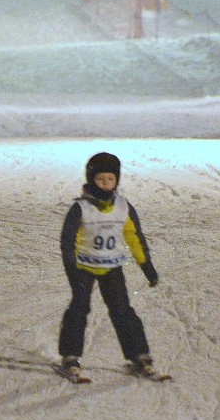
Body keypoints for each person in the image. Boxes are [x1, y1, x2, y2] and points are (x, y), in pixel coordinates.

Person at [58, 152, 160, 378]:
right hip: (83, 267)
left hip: (112, 267)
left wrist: (147, 267)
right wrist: (72, 270)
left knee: (122, 310)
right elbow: (68, 242)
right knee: (79, 308)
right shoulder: (81, 208)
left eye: (110, 179)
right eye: (100, 179)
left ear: (117, 180)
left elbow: (135, 238)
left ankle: (139, 356)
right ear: (91, 179)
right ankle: (70, 356)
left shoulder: (123, 207)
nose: (105, 184)